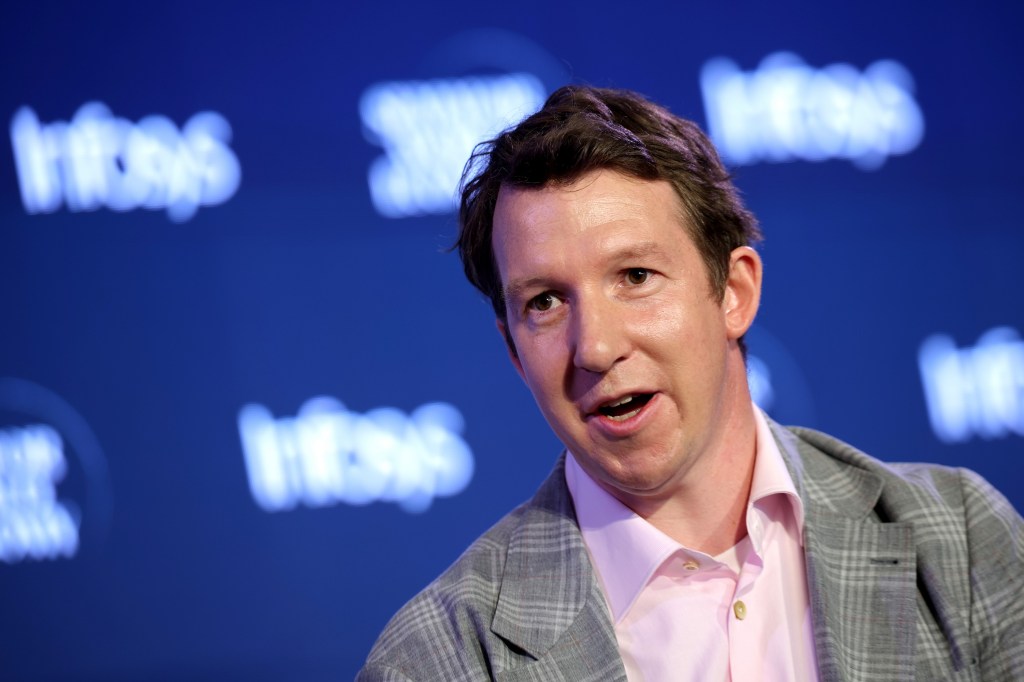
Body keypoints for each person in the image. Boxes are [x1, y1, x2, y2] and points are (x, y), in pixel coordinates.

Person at [357, 85, 1024, 681]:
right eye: (545, 302)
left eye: (635, 277)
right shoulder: (437, 660)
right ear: (511, 349)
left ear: (733, 292)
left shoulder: (960, 543)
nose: (595, 346)